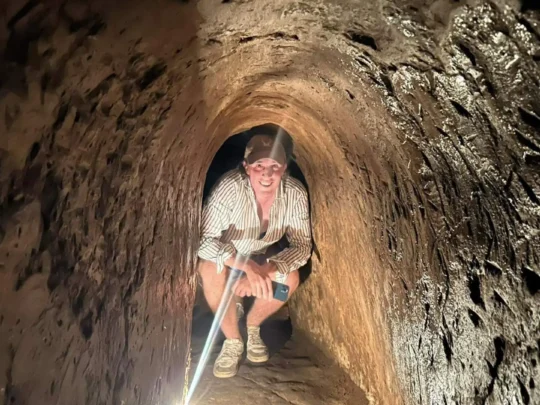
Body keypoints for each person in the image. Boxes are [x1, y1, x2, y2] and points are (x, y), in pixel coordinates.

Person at [197, 133, 312, 378]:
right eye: (259, 165)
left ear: (284, 168)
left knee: (288, 281)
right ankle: (233, 340)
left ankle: (253, 325)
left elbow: (302, 246)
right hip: (229, 256)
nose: (267, 174)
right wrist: (246, 267)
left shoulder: (294, 193)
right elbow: (203, 241)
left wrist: (265, 271)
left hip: (263, 257)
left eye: (274, 166)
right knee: (209, 269)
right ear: (247, 167)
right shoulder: (230, 189)